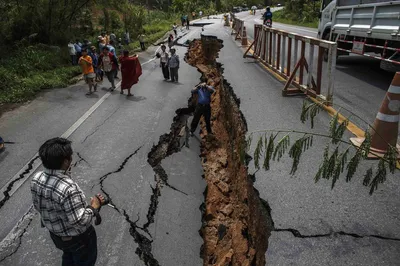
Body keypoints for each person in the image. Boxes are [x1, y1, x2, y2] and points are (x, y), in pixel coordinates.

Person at [31, 137, 106, 266]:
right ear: (66, 161)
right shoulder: (68, 188)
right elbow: (79, 221)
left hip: (56, 236)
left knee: (69, 256)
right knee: (84, 261)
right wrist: (93, 207)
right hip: (78, 239)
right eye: (70, 158)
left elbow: (38, 206)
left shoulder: (37, 178)